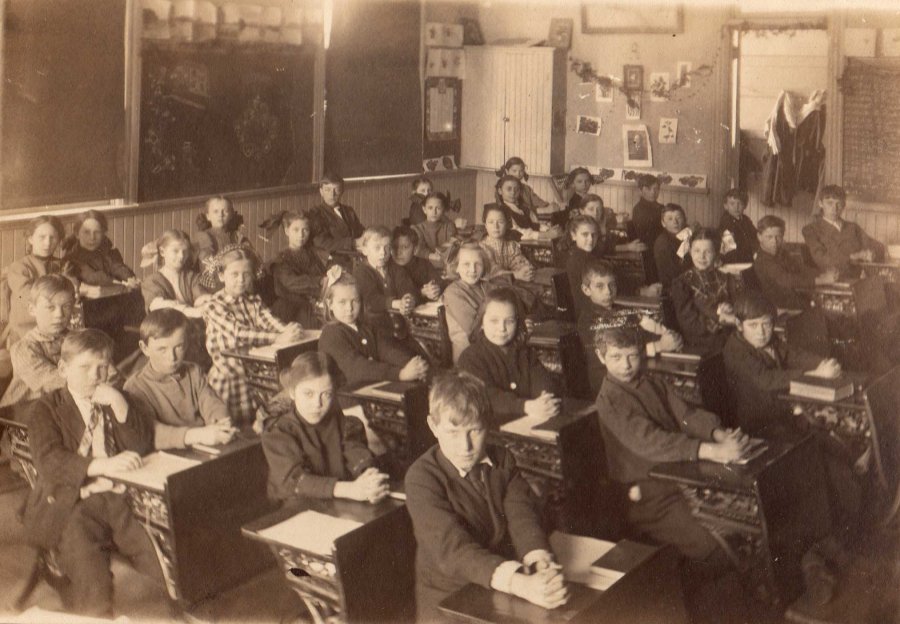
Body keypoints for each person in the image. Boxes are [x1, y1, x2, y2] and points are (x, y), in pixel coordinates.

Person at [405, 371, 569, 621]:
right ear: (433, 426)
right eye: (453, 433)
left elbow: (522, 518)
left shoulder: (503, 459)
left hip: (499, 584)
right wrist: (519, 583)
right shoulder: (421, 478)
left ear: (488, 424)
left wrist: (539, 562)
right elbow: (453, 550)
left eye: (475, 430)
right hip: (448, 599)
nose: (466, 447)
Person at [22, 329, 163, 617]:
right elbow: (49, 461)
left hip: (119, 497)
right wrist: (101, 465)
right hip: (71, 501)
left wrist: (119, 405)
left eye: (103, 367)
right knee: (91, 575)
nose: (95, 376)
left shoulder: (115, 398)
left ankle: (170, 606)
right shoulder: (46, 409)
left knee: (158, 557)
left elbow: (141, 446)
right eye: (84, 367)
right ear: (63, 369)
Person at [593, 326, 748, 560]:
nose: (626, 365)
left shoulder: (650, 381)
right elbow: (651, 441)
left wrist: (717, 434)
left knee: (740, 514)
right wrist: (712, 451)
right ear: (600, 356)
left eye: (632, 356)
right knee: (712, 543)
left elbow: (685, 414)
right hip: (648, 494)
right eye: (616, 357)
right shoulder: (609, 400)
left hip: (680, 473)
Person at [261, 351, 389, 502]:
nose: (317, 404)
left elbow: (356, 453)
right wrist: (349, 489)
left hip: (336, 503)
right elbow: (295, 481)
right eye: (308, 394)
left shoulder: (343, 423)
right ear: (292, 393)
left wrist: (370, 479)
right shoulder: (278, 433)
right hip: (295, 508)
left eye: (326, 394)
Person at [202, 248, 304, 424]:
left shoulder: (253, 300)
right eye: (234, 274)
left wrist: (289, 331)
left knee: (272, 411)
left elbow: (269, 321)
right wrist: (277, 338)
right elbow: (238, 332)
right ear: (221, 276)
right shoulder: (214, 305)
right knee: (232, 424)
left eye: (246, 274)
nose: (241, 280)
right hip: (229, 375)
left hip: (256, 372)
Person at [125, 309, 237, 450]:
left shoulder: (194, 371)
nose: (172, 357)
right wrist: (199, 435)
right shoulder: (135, 387)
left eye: (179, 347)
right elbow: (150, 433)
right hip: (167, 454)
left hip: (204, 447)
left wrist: (221, 423)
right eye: (162, 349)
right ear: (144, 348)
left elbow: (212, 403)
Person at [578, 260, 682, 393]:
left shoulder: (622, 310)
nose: (608, 291)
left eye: (612, 285)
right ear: (586, 290)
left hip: (629, 371)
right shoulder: (587, 321)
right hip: (608, 381)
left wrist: (669, 337)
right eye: (600, 286)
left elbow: (644, 335)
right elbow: (614, 357)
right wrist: (659, 346)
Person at [458, 288, 561, 419]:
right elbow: (486, 396)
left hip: (530, 419)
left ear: (518, 323)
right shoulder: (470, 357)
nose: (502, 328)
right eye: (494, 321)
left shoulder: (525, 352)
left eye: (510, 321)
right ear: (481, 323)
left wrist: (545, 399)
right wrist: (525, 406)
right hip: (492, 425)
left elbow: (543, 382)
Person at [317, 270, 428, 388]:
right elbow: (357, 368)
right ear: (330, 304)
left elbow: (388, 350)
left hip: (373, 385)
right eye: (342, 302)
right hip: (349, 393)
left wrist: (411, 364)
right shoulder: (330, 334)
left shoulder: (366, 327)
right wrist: (399, 374)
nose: (349, 308)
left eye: (355, 301)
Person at [1, 275, 76, 411]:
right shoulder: (23, 348)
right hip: (20, 412)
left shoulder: (75, 339)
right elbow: (51, 381)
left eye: (66, 306)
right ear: (32, 309)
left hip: (56, 406)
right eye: (50, 307)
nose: (59, 314)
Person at [6, 216, 79, 345]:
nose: (47, 243)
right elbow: (30, 298)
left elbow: (74, 291)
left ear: (59, 240)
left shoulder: (64, 265)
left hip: (58, 328)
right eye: (42, 237)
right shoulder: (19, 268)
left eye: (53, 238)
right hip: (26, 331)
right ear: (30, 239)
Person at [670, 228, 738, 354]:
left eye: (708, 251)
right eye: (697, 251)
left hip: (728, 339)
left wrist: (730, 308)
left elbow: (738, 306)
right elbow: (691, 325)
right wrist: (721, 318)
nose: (701, 257)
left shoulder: (726, 278)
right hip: (700, 345)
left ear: (716, 253)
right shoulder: (682, 283)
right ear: (690, 251)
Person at [753, 215, 837, 309]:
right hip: (776, 306)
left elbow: (800, 268)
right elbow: (787, 280)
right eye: (769, 237)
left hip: (792, 299)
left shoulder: (781, 253)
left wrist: (823, 273)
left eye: (778, 237)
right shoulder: (763, 260)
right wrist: (822, 280)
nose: (774, 241)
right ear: (759, 237)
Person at [802, 185, 884, 275]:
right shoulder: (811, 230)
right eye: (829, 203)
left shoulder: (853, 227)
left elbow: (879, 247)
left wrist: (871, 253)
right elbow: (821, 259)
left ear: (844, 205)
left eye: (839, 204)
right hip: (830, 278)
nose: (834, 208)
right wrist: (853, 257)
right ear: (820, 204)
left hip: (858, 277)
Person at [264, 210, 327, 327]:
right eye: (296, 230)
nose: (301, 235)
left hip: (311, 303)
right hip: (291, 308)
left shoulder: (312, 255)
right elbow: (292, 283)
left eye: (305, 230)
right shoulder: (281, 259)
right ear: (287, 231)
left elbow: (322, 273)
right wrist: (320, 281)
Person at [352, 226, 420, 333]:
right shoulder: (361, 272)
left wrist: (408, 299)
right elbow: (372, 300)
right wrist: (396, 303)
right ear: (365, 250)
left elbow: (406, 286)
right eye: (377, 248)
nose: (383, 253)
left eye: (387, 248)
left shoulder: (395, 267)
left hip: (401, 328)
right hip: (374, 330)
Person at [140, 229, 210, 317]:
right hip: (165, 322)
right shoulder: (152, 281)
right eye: (175, 251)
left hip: (191, 321)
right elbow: (158, 305)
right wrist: (190, 311)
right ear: (162, 252)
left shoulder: (191, 277)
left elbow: (200, 296)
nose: (181, 256)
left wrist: (204, 301)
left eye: (185, 251)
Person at [442, 243, 494, 362]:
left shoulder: (488, 287)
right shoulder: (453, 293)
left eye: (478, 264)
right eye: (466, 264)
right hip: (469, 357)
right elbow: (475, 332)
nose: (472, 269)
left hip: (492, 347)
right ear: (456, 267)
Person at [63, 210, 139, 290]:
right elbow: (93, 277)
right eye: (86, 232)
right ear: (77, 234)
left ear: (103, 234)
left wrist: (129, 278)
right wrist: (118, 283)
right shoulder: (71, 259)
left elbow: (118, 267)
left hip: (113, 291)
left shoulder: (107, 251)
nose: (92, 237)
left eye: (97, 232)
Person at [193, 196, 254, 292]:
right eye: (215, 211)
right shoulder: (204, 236)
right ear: (208, 216)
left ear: (231, 215)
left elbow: (249, 256)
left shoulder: (237, 236)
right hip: (215, 282)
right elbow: (208, 265)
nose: (220, 215)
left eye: (225, 211)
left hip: (238, 279)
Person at [307, 172, 364, 253]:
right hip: (334, 257)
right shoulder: (315, 213)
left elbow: (361, 232)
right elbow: (321, 243)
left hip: (356, 254)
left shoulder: (349, 211)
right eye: (327, 190)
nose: (332, 194)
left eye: (336, 190)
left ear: (342, 191)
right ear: (321, 192)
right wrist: (353, 242)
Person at [391, 226, 443, 302]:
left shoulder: (424, 264)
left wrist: (436, 289)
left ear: (415, 250)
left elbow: (440, 283)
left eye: (404, 247)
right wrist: (421, 293)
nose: (398, 252)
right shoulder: (387, 267)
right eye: (395, 247)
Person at [483, 175, 540, 240]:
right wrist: (542, 235)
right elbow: (516, 232)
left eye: (516, 189)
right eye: (509, 189)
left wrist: (546, 229)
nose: (513, 192)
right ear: (500, 191)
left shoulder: (525, 209)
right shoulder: (500, 211)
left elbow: (536, 225)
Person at [653, 203, 693, 291]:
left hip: (687, 282)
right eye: (670, 219)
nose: (675, 222)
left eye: (678, 218)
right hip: (673, 287)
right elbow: (673, 275)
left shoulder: (686, 236)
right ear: (663, 223)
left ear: (685, 219)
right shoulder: (663, 243)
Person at [411, 192, 458, 261]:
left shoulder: (449, 227)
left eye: (438, 208)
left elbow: (453, 245)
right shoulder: (418, 229)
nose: (434, 212)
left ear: (443, 210)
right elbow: (418, 249)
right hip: (425, 263)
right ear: (424, 209)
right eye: (430, 208)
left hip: (446, 261)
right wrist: (431, 256)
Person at [718, 189, 757, 264]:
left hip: (747, 256)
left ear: (745, 206)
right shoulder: (726, 222)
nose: (736, 207)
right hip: (732, 258)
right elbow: (729, 247)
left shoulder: (746, 220)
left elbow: (755, 235)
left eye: (740, 204)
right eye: (732, 204)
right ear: (726, 206)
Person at [627, 174, 665, 252]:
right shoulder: (638, 209)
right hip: (647, 249)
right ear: (641, 191)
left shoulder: (661, 208)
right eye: (648, 189)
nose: (653, 192)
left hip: (661, 245)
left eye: (656, 189)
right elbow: (644, 237)